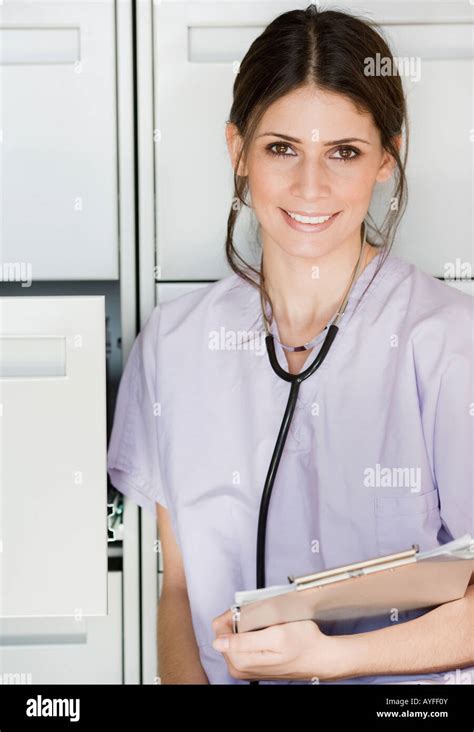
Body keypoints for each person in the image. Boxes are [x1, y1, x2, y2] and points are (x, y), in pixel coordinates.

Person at [107, 5, 474, 685]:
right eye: (281, 148)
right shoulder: (174, 345)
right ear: (238, 152)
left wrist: (333, 658)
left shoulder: (451, 342)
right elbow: (180, 589)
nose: (311, 187)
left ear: (388, 161)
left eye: (344, 152)